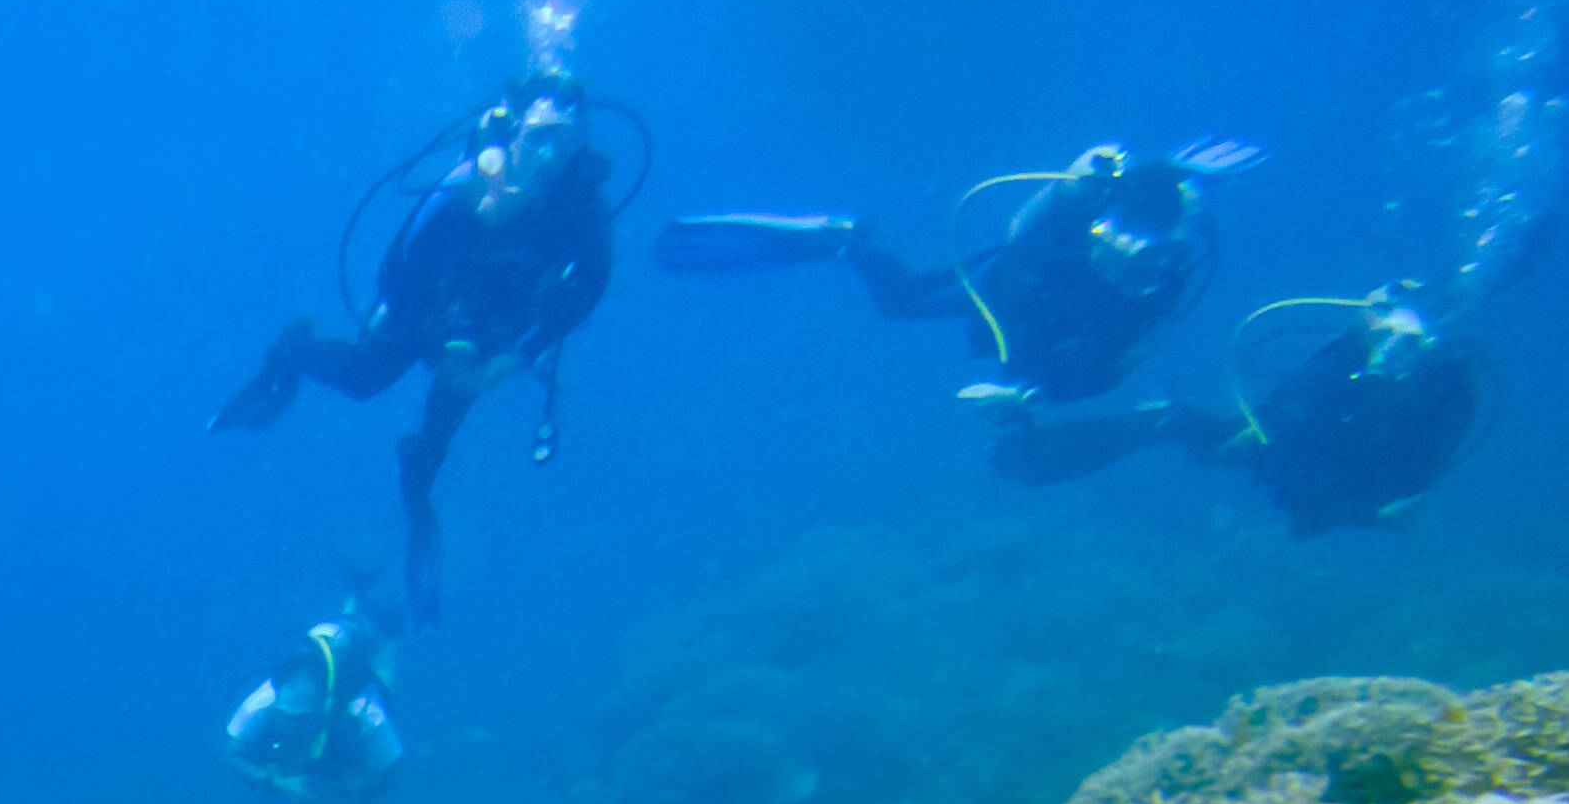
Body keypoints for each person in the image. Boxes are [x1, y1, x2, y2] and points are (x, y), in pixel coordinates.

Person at [211, 72, 619, 628]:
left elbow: (590, 285)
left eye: (564, 140)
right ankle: (291, 354)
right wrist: (437, 342)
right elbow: (396, 275)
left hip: (498, 326)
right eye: (539, 137)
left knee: (444, 422)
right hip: (428, 305)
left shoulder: (578, 203)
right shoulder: (465, 186)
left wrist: (519, 357)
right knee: (365, 378)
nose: (550, 155)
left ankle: (418, 481)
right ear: (511, 134)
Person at [657, 140, 1262, 413]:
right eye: (1109, 244)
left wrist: (1025, 394)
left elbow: (1108, 368)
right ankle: (842, 241)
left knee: (1015, 369)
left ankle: (844, 243)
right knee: (901, 301)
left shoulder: (1160, 287)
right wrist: (1079, 185)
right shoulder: (1075, 228)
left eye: (1138, 259)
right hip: (1007, 284)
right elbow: (1025, 230)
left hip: (1039, 321)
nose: (1118, 262)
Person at [986, 287, 1488, 531]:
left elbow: (1416, 488)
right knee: (1175, 423)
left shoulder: (1447, 389)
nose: (1395, 349)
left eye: (1410, 342)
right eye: (1385, 329)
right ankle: (1047, 453)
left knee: (1186, 429)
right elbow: (1279, 417)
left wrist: (1360, 508)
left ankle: (1136, 429)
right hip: (1297, 459)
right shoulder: (1347, 355)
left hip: (1352, 489)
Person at [225, 593, 406, 804]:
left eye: (299, 721)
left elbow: (391, 772)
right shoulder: (267, 697)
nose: (291, 727)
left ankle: (376, 629)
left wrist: (342, 789)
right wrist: (276, 782)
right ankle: (352, 607)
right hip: (333, 663)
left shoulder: (361, 707)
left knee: (386, 683)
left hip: (354, 660)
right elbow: (232, 753)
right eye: (287, 720)